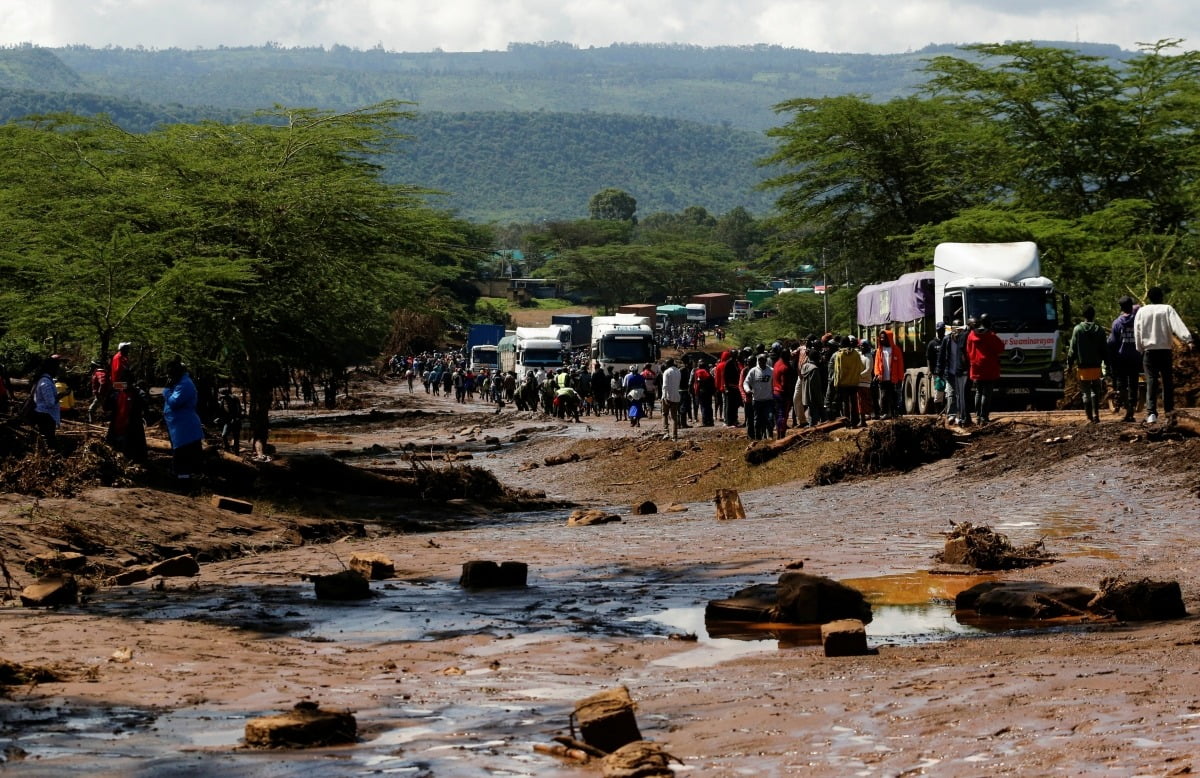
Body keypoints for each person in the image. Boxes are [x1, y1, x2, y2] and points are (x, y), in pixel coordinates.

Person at [1134, 286, 1194, 423]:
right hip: (1165, 351)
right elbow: (1177, 326)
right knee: (1167, 382)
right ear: (1161, 297)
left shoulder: (1142, 311)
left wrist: (1140, 348)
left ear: (1149, 298)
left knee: (1151, 382)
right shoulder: (1167, 309)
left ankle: (1151, 414)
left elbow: (1137, 331)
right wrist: (1188, 339)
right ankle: (1169, 413)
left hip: (1149, 351)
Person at [162, 358, 204, 483]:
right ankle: (184, 478)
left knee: (183, 454)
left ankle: (184, 481)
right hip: (179, 426)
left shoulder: (184, 384)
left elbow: (174, 402)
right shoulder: (179, 383)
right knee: (182, 452)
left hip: (184, 426)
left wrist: (166, 392)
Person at [1068, 305, 1108, 423]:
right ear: (1093, 315)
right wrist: (1107, 363)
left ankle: (1089, 417)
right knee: (1096, 390)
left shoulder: (1078, 329)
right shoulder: (1099, 330)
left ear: (1083, 315)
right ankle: (1096, 415)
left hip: (1083, 367)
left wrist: (1069, 364)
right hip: (1096, 366)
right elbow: (1104, 349)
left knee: (1085, 392)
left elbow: (1072, 349)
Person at [966, 313, 1005, 424]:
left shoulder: (971, 334)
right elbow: (1001, 348)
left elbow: (968, 351)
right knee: (986, 393)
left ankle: (978, 416)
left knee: (978, 392)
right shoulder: (991, 335)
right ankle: (984, 417)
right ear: (988, 322)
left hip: (976, 367)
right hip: (989, 368)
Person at [1107, 296, 1140, 421]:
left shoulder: (1117, 323)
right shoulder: (1138, 319)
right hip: (1136, 356)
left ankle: (1128, 409)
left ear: (1121, 308)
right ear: (1131, 305)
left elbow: (1113, 343)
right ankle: (1132, 406)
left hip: (1121, 358)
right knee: (1133, 383)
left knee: (1122, 385)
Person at [30, 355, 64, 444]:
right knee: (49, 440)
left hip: (44, 415)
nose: (58, 370)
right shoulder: (46, 382)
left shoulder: (46, 380)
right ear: (51, 368)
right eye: (57, 368)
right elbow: (50, 403)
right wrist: (62, 395)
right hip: (46, 416)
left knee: (46, 439)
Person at [830, 336, 862, 428]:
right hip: (854, 382)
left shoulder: (839, 355)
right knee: (854, 402)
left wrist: (836, 383)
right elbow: (860, 367)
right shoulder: (856, 354)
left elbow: (837, 371)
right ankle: (855, 422)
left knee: (845, 403)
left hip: (843, 383)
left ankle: (847, 423)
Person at [742, 352, 774, 440]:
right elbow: (746, 382)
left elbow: (775, 383)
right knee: (757, 421)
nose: (761, 362)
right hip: (757, 400)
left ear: (766, 361)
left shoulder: (771, 371)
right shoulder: (753, 371)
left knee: (770, 418)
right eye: (759, 361)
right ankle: (758, 438)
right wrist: (748, 390)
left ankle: (770, 436)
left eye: (763, 360)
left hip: (768, 400)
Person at [873, 330, 904, 419]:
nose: (882, 339)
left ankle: (895, 413)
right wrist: (877, 374)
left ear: (888, 338)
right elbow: (876, 364)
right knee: (883, 396)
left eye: (883, 338)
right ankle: (885, 413)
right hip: (883, 378)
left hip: (893, 378)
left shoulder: (896, 350)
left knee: (894, 396)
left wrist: (900, 378)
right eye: (881, 338)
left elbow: (900, 365)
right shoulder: (879, 350)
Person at [660, 358, 682, 440]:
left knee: (665, 414)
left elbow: (665, 386)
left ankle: (666, 433)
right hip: (676, 396)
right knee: (674, 417)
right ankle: (675, 436)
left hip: (667, 396)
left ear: (667, 364)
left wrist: (665, 397)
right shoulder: (678, 371)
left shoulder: (666, 372)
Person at [218, 387, 244, 452]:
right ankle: (227, 449)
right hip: (228, 421)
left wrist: (237, 418)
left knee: (236, 438)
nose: (224, 397)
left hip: (236, 421)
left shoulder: (235, 399)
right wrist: (220, 418)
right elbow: (222, 411)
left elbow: (239, 410)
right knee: (224, 435)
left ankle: (237, 453)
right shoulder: (222, 400)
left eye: (225, 396)